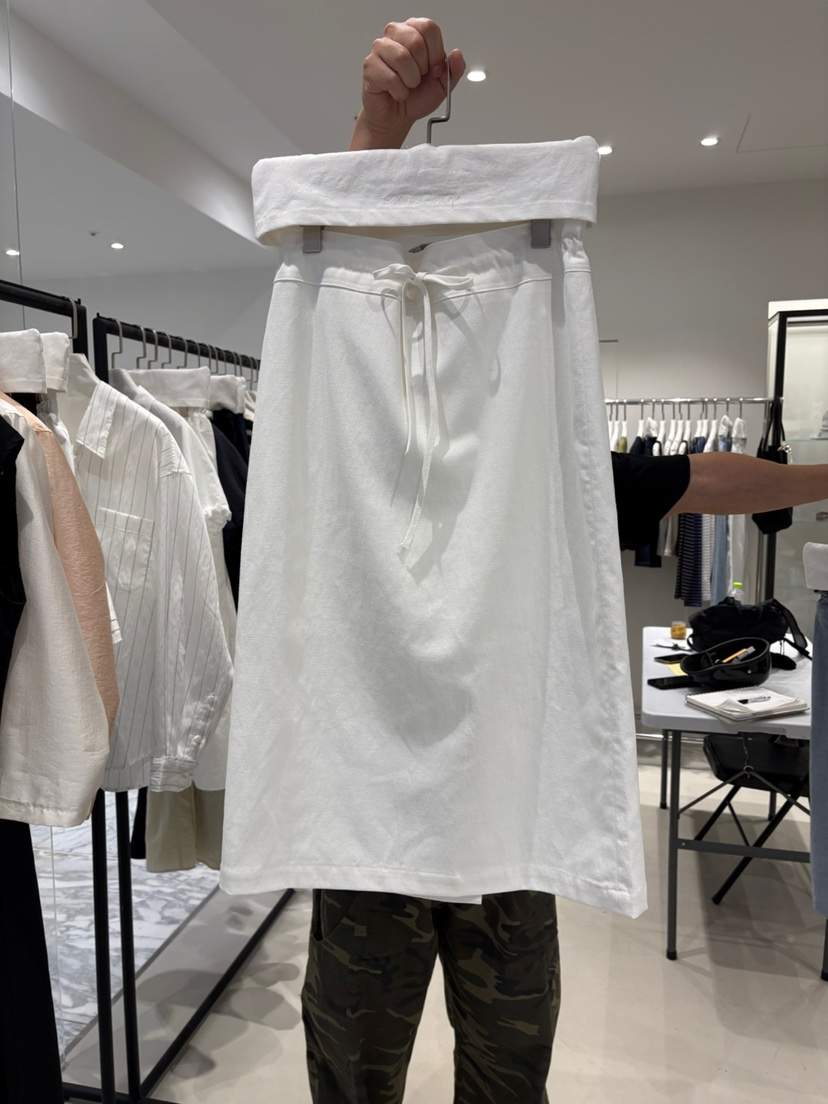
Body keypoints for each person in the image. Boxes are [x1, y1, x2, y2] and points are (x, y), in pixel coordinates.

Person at [298, 19, 828, 1104]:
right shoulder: (350, 451)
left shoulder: (548, 462)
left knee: (508, 1082)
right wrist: (374, 138)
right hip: (372, 827)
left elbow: (702, 477)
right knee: (354, 1081)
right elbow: (333, 305)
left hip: (509, 818)